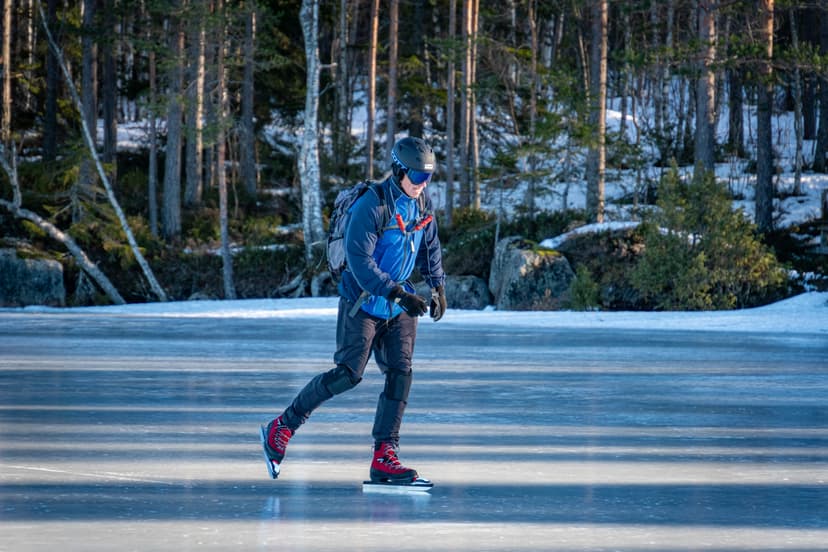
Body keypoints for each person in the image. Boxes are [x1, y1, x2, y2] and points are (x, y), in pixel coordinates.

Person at [262, 136, 447, 484]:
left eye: (429, 178)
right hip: (362, 301)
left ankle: (384, 457)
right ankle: (281, 427)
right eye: (418, 178)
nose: (423, 185)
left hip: (398, 304)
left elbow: (430, 243)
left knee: (400, 373)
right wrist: (395, 291)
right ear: (398, 171)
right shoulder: (372, 206)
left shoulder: (422, 205)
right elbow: (360, 262)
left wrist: (437, 285)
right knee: (348, 373)